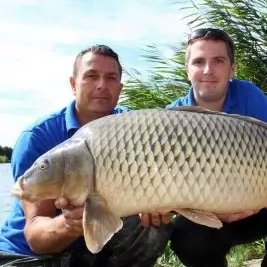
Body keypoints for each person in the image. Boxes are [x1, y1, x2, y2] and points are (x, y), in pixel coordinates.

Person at [0, 44, 172, 267]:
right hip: (29, 255)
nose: (101, 85)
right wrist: (70, 224)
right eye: (91, 76)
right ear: (73, 84)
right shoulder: (38, 137)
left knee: (150, 224)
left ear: (120, 88)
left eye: (111, 78)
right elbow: (35, 235)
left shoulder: (134, 128)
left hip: (94, 251)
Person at [167, 28, 267, 267]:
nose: (208, 70)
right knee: (185, 235)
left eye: (218, 61)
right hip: (208, 220)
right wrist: (215, 209)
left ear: (232, 68)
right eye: (198, 62)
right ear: (187, 70)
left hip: (259, 208)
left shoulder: (248, 94)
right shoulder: (170, 119)